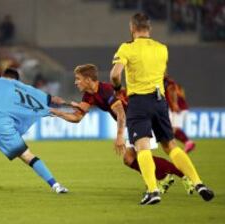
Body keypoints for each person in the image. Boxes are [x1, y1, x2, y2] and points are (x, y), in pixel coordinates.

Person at [110, 12, 214, 205]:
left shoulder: (127, 48)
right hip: (159, 102)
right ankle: (198, 182)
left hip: (138, 102)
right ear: (150, 28)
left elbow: (115, 74)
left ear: (132, 28)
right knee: (171, 146)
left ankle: (152, 190)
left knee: (142, 148)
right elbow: (161, 74)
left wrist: (117, 89)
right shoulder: (162, 49)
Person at [51, 64, 194, 194]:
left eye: (78, 79)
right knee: (131, 158)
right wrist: (58, 113)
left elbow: (121, 113)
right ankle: (165, 177)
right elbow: (77, 117)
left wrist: (119, 136)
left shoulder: (106, 90)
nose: (75, 82)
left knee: (138, 156)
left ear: (88, 80)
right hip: (133, 122)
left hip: (142, 118)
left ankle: (181, 177)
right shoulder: (89, 95)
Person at [164, 75, 195, 153]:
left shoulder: (168, 82)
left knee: (172, 130)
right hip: (179, 109)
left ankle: (187, 142)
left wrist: (174, 104)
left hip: (178, 110)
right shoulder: (168, 83)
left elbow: (172, 91)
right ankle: (186, 143)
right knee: (171, 130)